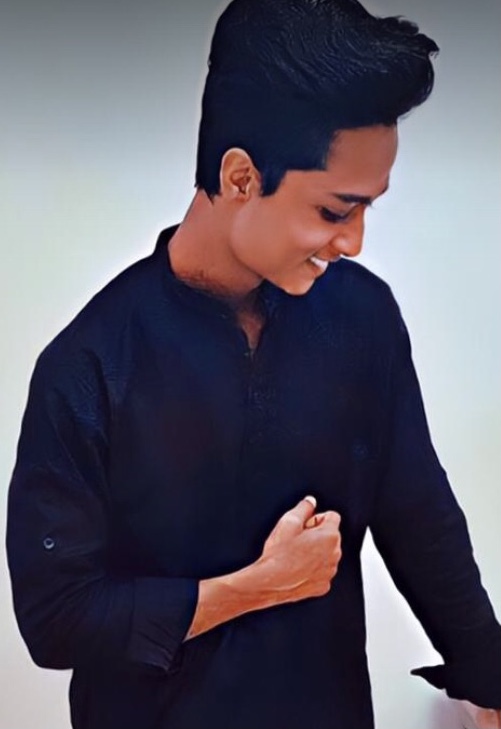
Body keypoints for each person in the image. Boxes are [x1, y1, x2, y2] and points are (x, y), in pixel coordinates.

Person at [6, 0, 501, 728]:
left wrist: (491, 680)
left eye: (368, 209)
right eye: (334, 211)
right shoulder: (89, 366)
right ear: (240, 177)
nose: (354, 242)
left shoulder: (362, 317)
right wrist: (254, 587)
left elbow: (421, 522)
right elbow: (55, 618)